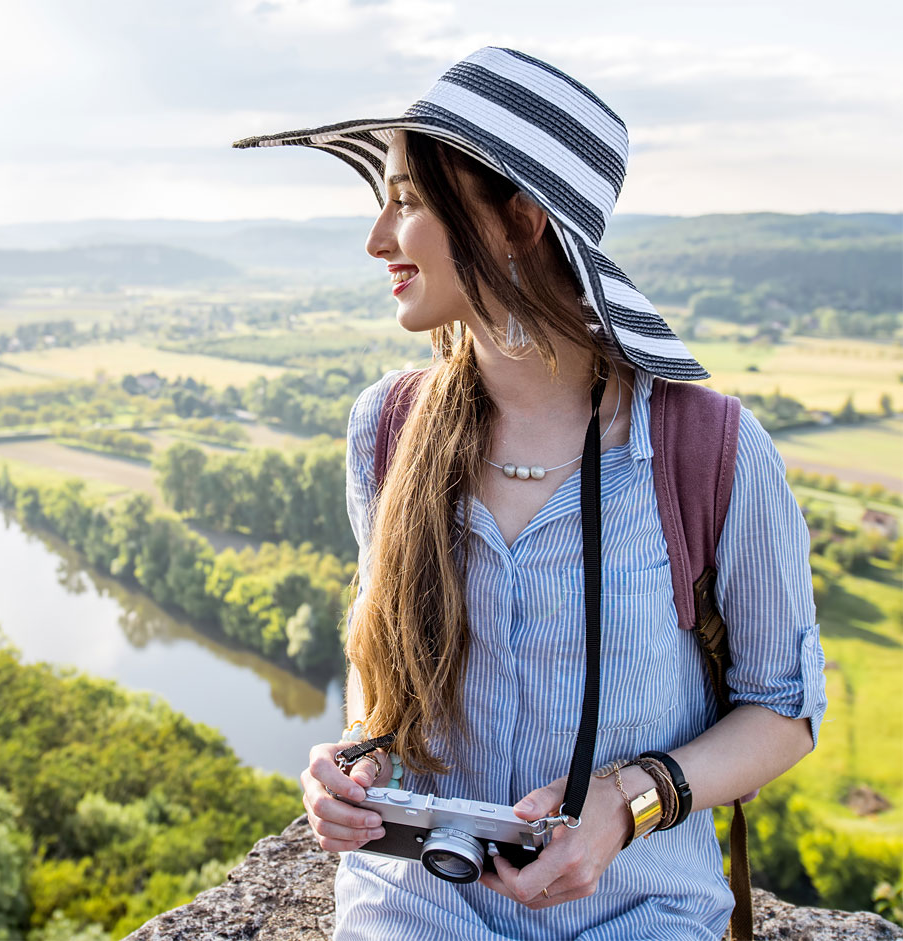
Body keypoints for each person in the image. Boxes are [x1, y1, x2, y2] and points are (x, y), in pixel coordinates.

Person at [235, 47, 825, 939]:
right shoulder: (385, 429)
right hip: (415, 899)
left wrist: (630, 802)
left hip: (636, 907)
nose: (377, 239)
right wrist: (354, 755)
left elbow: (782, 710)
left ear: (518, 219)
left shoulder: (711, 451)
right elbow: (380, 660)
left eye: (407, 201)